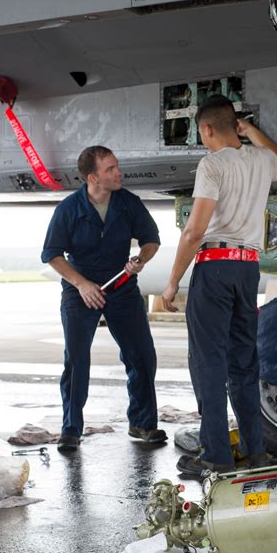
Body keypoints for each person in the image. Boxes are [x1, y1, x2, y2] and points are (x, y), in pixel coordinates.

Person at [162, 95, 277, 477]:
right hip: (248, 270)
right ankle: (256, 452)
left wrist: (171, 284)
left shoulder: (212, 164)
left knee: (209, 363)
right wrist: (254, 133)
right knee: (244, 363)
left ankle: (215, 455)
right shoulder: (260, 160)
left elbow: (194, 230)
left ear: (205, 129)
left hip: (215, 268)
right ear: (235, 125)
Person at [41, 145, 166, 451]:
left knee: (141, 355)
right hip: (79, 288)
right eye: (110, 169)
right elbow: (52, 255)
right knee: (77, 359)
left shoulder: (128, 203)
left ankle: (142, 423)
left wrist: (141, 260)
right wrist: (82, 284)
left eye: (116, 166)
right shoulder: (68, 209)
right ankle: (71, 428)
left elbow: (152, 240)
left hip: (120, 285)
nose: (118, 172)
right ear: (92, 177)